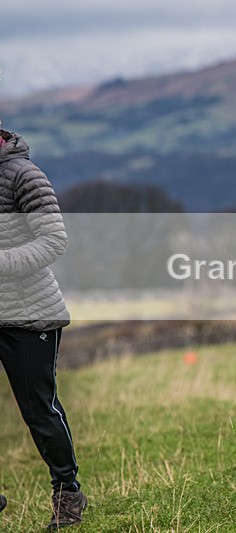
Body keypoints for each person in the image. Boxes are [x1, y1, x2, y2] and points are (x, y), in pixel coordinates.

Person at [0, 126, 88, 529]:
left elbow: (54, 240)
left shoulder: (23, 175)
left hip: (29, 313)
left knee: (39, 411)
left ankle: (68, 492)